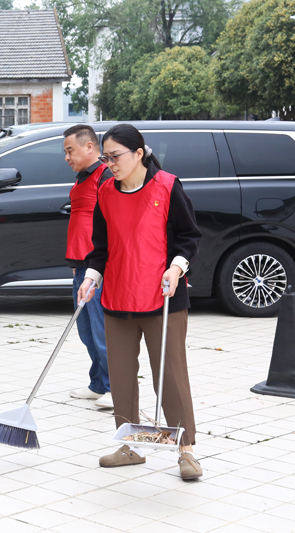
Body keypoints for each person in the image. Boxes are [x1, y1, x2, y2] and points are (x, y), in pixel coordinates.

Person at [78, 124, 204, 480]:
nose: (110, 164)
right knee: (120, 377)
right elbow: (101, 246)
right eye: (105, 158)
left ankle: (186, 450)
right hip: (118, 297)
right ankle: (130, 446)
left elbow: (190, 237)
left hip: (162, 298)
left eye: (115, 156)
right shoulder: (106, 191)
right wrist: (91, 277)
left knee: (171, 376)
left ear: (138, 153)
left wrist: (177, 268)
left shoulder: (167, 186)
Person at [63, 124, 113, 410]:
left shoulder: (105, 176)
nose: (67, 157)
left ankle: (116, 388)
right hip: (81, 265)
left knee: (101, 329)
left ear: (90, 147)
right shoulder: (83, 178)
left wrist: (98, 265)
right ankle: (98, 384)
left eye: (70, 150)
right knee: (86, 330)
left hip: (97, 268)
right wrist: (76, 263)